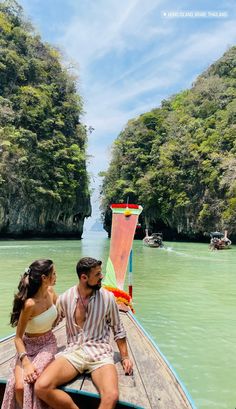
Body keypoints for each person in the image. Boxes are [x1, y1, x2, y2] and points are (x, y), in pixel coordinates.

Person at [35, 257, 133, 409]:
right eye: (98, 274)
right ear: (84, 277)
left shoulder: (108, 298)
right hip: (73, 352)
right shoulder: (65, 298)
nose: (102, 277)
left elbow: (118, 328)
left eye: (101, 273)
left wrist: (125, 357)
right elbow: (52, 324)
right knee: (41, 386)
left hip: (100, 354)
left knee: (111, 396)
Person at [2, 259, 58, 409]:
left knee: (31, 381)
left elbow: (61, 309)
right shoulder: (30, 304)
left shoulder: (51, 292)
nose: (56, 276)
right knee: (17, 385)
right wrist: (26, 363)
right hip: (27, 346)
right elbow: (18, 338)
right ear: (44, 278)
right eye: (54, 273)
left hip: (48, 343)